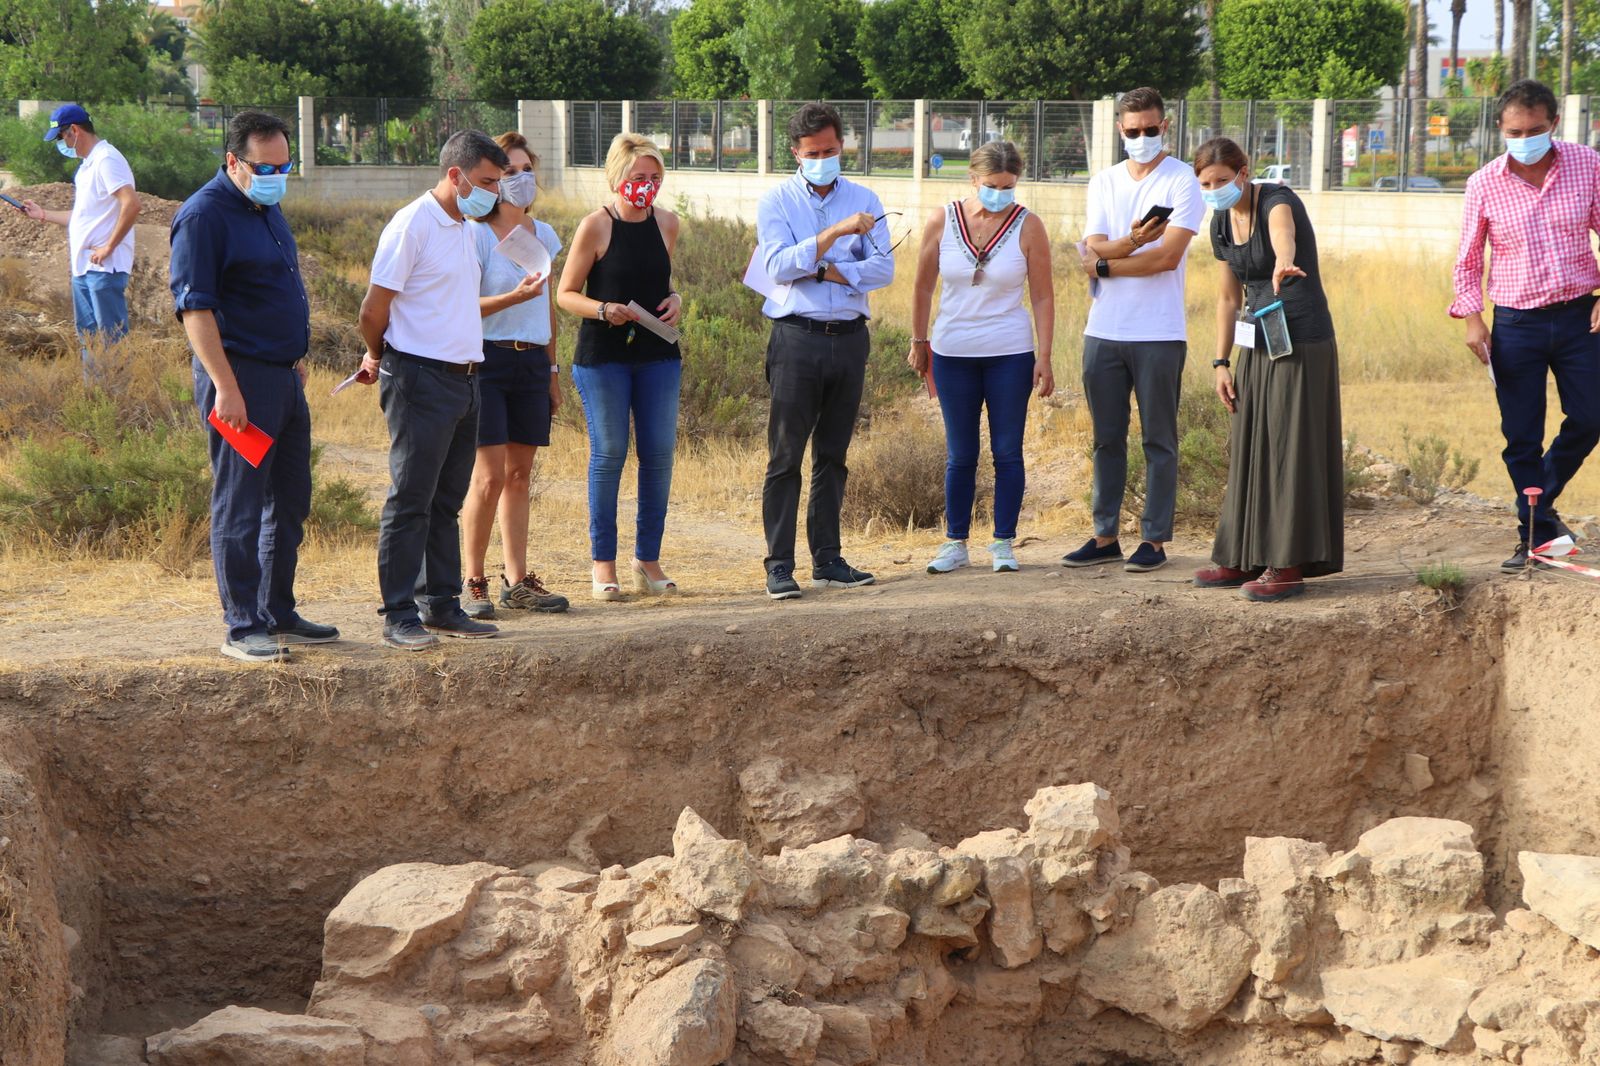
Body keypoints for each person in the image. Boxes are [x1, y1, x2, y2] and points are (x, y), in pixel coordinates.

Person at [169, 110, 338, 662]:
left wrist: (292, 359)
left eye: (284, 166)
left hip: (282, 378)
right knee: (240, 504)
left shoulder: (266, 207)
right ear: (233, 161)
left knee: (289, 501)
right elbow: (196, 310)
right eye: (265, 167)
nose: (276, 175)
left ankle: (276, 611)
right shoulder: (204, 216)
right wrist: (226, 387)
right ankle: (242, 627)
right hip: (239, 381)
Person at [355, 130, 508, 650]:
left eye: (498, 182)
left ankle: (441, 604)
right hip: (419, 377)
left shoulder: (464, 226)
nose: (494, 192)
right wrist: (378, 354)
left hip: (465, 380)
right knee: (411, 500)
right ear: (455, 175)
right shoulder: (413, 224)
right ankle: (399, 613)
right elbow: (373, 309)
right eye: (487, 181)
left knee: (445, 501)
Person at [1450, 79, 1600, 570]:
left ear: (1553, 123)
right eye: (1514, 132)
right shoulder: (1484, 183)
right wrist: (1472, 320)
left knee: (1592, 416)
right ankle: (1532, 533)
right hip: (1516, 324)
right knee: (1521, 435)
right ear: (1500, 128)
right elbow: (1468, 259)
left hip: (1580, 318)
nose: (1525, 140)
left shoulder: (1587, 164)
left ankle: (1539, 509)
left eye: (1535, 130)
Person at [1190, 138, 1343, 602]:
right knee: (1251, 444)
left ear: (1244, 172)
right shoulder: (1220, 222)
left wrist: (1284, 259)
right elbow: (1227, 298)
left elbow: (1283, 233)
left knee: (1288, 449)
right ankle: (1244, 557)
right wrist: (1221, 362)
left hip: (1302, 342)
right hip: (1256, 342)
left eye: (1221, 180)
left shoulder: (1277, 200)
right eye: (1205, 184)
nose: (1214, 190)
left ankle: (1288, 563)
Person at [755, 103, 896, 600]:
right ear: (796, 153)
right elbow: (777, 266)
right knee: (785, 456)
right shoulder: (777, 202)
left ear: (843, 147)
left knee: (833, 455)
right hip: (798, 338)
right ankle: (779, 565)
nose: (823, 160)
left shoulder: (865, 198)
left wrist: (823, 268)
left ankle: (828, 560)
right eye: (813, 153)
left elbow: (884, 269)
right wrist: (835, 234)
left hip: (850, 338)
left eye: (831, 151)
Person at [1068, 87, 1204, 574]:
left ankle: (1154, 539)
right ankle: (1105, 536)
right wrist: (1131, 241)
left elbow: (1166, 258)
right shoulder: (1104, 181)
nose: (1142, 138)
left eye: (1150, 129)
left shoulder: (1183, 180)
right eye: (1133, 131)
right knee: (1107, 438)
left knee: (1158, 440)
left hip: (1159, 332)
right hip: (1103, 329)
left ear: (1164, 126)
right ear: (1119, 130)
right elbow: (1093, 246)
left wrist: (1106, 264)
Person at [908, 140, 1056, 575]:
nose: (1000, 194)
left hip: (1009, 353)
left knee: (1008, 450)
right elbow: (922, 286)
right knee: (961, 453)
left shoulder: (1029, 225)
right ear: (973, 179)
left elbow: (1043, 295)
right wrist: (919, 341)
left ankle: (1003, 542)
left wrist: (1045, 355)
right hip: (952, 353)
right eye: (992, 185)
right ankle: (955, 542)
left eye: (1009, 186)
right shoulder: (942, 219)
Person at [555, 133, 683, 600]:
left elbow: (659, 281)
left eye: (654, 177)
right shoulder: (596, 225)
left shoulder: (667, 223)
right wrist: (603, 309)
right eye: (638, 177)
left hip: (658, 354)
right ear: (616, 178)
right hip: (604, 357)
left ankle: (647, 561)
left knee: (659, 457)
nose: (646, 185)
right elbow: (565, 293)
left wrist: (675, 299)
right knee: (609, 455)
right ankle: (602, 565)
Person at [461, 131, 569, 619]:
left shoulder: (543, 234)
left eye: (527, 170)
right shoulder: (475, 234)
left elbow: (547, 307)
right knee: (489, 477)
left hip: (531, 363)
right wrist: (512, 298)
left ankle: (517, 580)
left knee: (520, 476)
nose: (521, 179)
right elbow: (463, 306)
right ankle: (473, 581)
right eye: (509, 172)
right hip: (487, 360)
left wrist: (552, 370)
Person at [21, 103, 140, 375]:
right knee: (89, 339)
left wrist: (108, 247)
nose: (62, 144)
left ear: (74, 130)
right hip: (84, 268)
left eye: (61, 137)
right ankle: (95, 394)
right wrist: (43, 214)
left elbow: (132, 204)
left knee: (111, 341)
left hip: (103, 269)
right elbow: (83, 217)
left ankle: (117, 394)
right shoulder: (88, 166)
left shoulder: (107, 159)